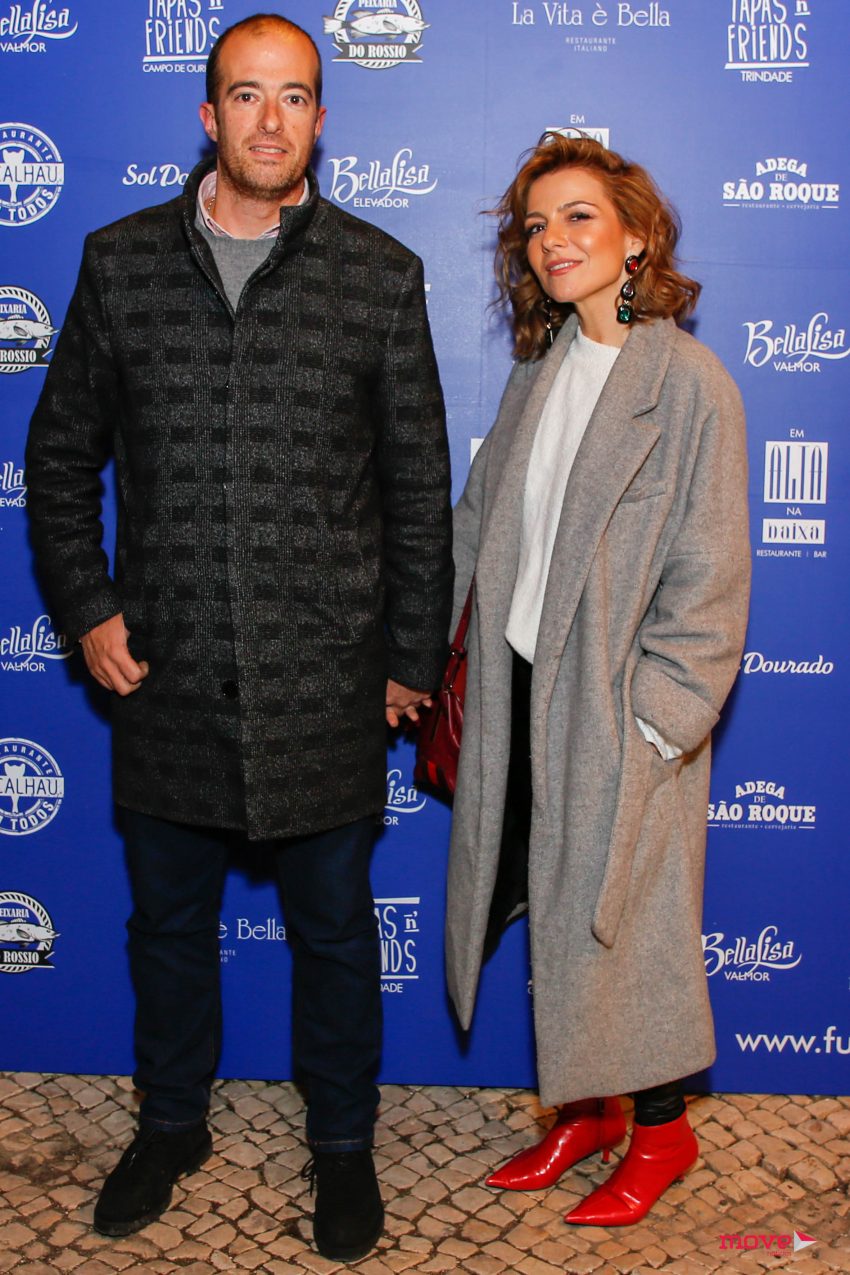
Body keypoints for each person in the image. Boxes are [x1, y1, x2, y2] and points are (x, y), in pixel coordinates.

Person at [25, 13, 452, 1262]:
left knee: (336, 935)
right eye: (248, 96)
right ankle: (170, 1125)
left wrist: (408, 660)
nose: (272, 120)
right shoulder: (118, 263)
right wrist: (89, 607)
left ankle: (342, 1146)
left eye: (295, 96)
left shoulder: (379, 273)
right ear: (208, 115)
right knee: (166, 930)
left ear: (321, 116)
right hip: (165, 677)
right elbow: (59, 460)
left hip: (326, 680)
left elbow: (418, 491)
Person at [445, 134, 750, 1226]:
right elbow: (479, 526)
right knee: (554, 906)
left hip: (618, 709)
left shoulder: (691, 386)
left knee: (628, 926)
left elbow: (711, 579)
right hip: (521, 691)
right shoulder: (539, 372)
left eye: (579, 216)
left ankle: (662, 1132)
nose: (553, 240)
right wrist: (418, 653)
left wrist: (656, 724)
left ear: (636, 238)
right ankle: (587, 1107)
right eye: (536, 226)